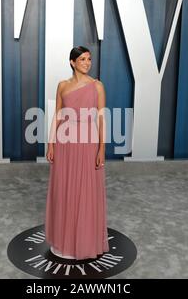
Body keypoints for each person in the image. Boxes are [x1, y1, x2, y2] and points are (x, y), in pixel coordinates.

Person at [44, 46, 109, 260]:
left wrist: (102, 147)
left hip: (88, 140)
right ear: (72, 62)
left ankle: (85, 241)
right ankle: (65, 241)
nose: (87, 63)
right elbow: (57, 115)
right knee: (64, 188)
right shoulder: (62, 85)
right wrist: (51, 143)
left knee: (87, 188)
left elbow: (101, 118)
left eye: (89, 59)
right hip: (65, 141)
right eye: (82, 59)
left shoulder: (97, 86)